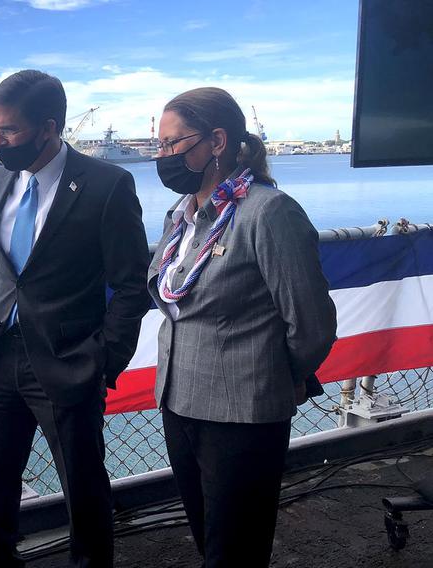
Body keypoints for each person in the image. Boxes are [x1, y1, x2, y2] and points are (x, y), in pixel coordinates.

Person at [0, 69, 151, 567]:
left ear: (49, 127)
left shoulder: (107, 184)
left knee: (84, 489)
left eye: (10, 130)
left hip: (69, 361)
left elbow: (132, 285)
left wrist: (105, 358)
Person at [148, 87, 337, 567]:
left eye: (173, 143)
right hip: (179, 402)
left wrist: (279, 375)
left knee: (236, 553)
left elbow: (311, 324)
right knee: (208, 541)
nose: (162, 156)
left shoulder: (268, 213)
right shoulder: (182, 215)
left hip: (243, 414)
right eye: (160, 145)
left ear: (216, 141)